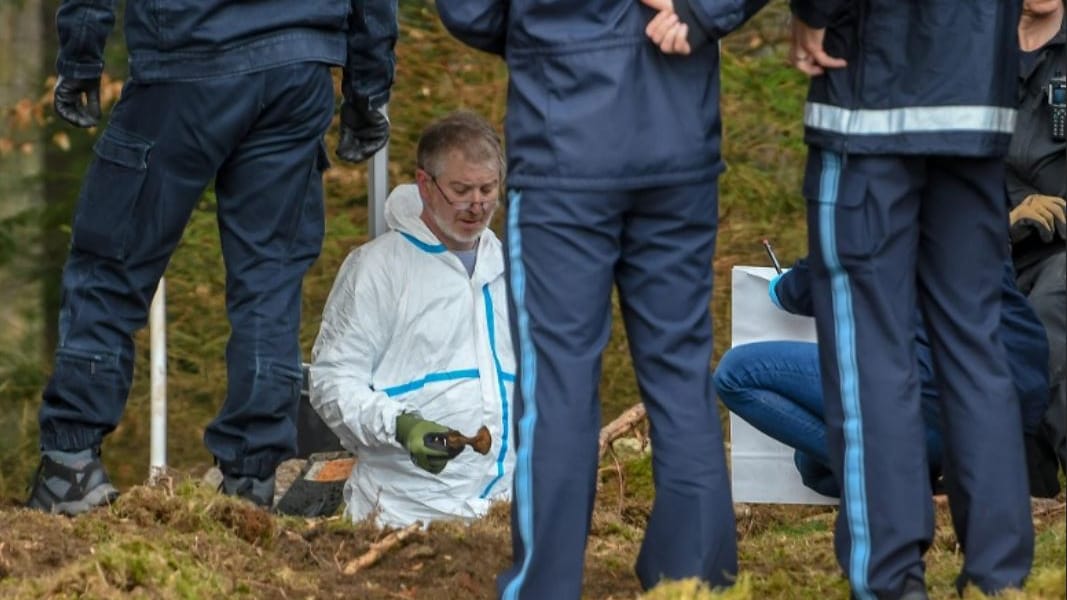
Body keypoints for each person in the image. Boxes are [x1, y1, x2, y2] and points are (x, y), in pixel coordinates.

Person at [436, 0, 770, 596]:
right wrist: (703, 13)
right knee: (679, 372)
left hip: (562, 133)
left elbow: (469, 10)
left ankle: (546, 586)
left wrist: (541, 39)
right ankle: (694, 579)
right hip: (678, 136)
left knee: (556, 382)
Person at [26, 0, 397, 515]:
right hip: (297, 63)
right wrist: (368, 87)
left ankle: (70, 466)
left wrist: (81, 56)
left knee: (112, 259)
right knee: (269, 281)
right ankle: (251, 480)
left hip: (184, 55)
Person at [788, 1, 1031, 597]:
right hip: (979, 101)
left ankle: (890, 579)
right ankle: (998, 579)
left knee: (870, 350)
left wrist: (813, 11)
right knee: (975, 339)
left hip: (873, 95)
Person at [309, 111, 515, 528]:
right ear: (425, 184)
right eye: (461, 190)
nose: (477, 205)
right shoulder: (378, 268)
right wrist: (401, 425)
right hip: (400, 516)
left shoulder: (511, 268)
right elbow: (332, 382)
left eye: (488, 189)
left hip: (505, 518)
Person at [714, 257, 1056, 499]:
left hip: (938, 392)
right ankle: (921, 474)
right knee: (813, 466)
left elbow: (826, 270)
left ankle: (899, 479)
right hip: (1009, 401)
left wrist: (787, 289)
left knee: (736, 373)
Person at [1006, 0, 1066, 482]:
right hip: (993, 241)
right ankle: (1026, 487)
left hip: (1062, 246)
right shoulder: (977, 55)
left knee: (1048, 311)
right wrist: (1010, 213)